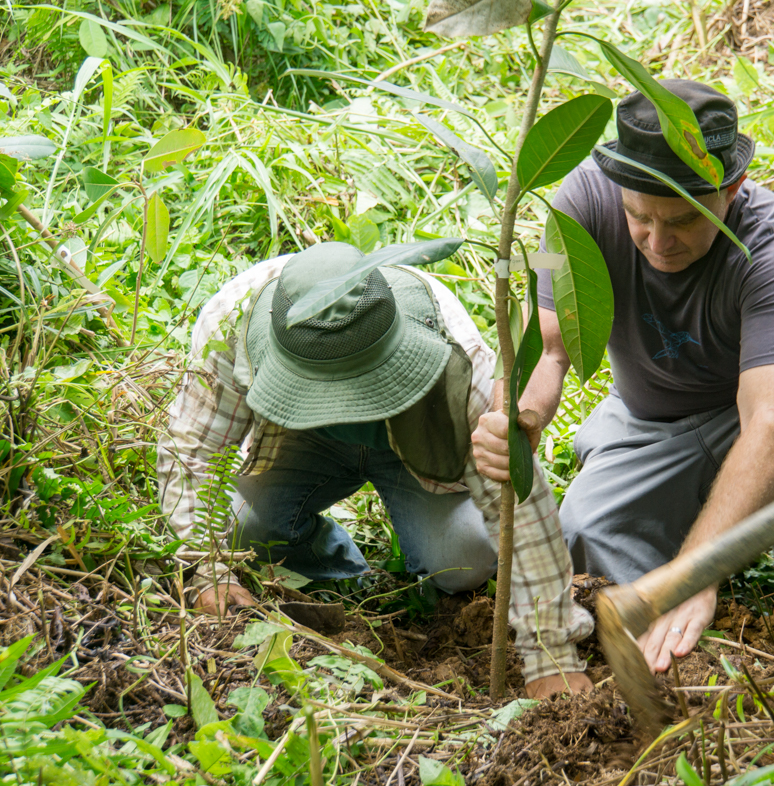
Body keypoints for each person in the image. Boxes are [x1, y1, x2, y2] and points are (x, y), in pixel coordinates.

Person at [472, 81, 774, 674]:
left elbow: (772, 423)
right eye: (638, 217)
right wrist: (518, 416)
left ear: (730, 191)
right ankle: (702, 527)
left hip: (772, 394)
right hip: (651, 416)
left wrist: (698, 573)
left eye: (684, 220)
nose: (658, 242)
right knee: (581, 536)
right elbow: (545, 345)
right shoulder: (578, 203)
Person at [156, 241, 594, 698]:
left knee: (463, 560)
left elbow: (518, 498)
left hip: (412, 435)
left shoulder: (454, 354)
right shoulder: (231, 326)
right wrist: (207, 569)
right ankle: (341, 568)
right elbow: (189, 451)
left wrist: (551, 654)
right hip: (301, 441)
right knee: (250, 530)